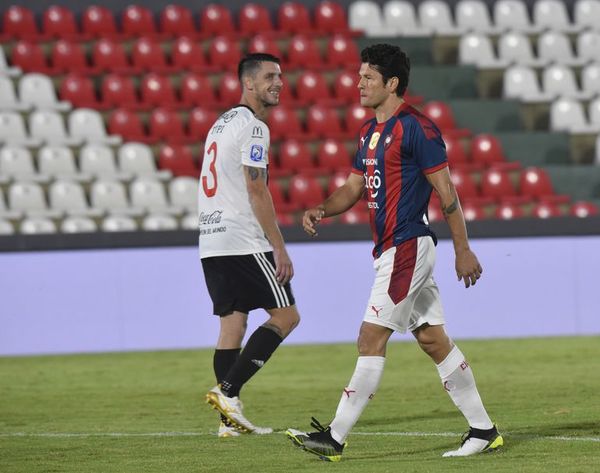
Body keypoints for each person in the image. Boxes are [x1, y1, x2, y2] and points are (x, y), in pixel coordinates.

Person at [285, 43, 503, 460]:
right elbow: (352, 188)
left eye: (368, 77)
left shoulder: (418, 128)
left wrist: (464, 250)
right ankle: (483, 429)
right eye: (359, 75)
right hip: (390, 250)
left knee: (370, 336)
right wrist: (321, 209)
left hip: (408, 246)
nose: (358, 82)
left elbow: (447, 192)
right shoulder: (369, 132)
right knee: (432, 339)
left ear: (392, 83)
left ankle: (334, 437)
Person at [199, 53, 300, 438]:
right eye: (270, 76)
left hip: (211, 239)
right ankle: (227, 392)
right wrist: (279, 247)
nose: (278, 82)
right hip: (242, 238)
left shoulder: (220, 123)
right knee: (287, 317)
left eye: (280, 76)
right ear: (249, 83)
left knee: (233, 325)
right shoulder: (254, 127)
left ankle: (229, 422)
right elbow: (257, 188)